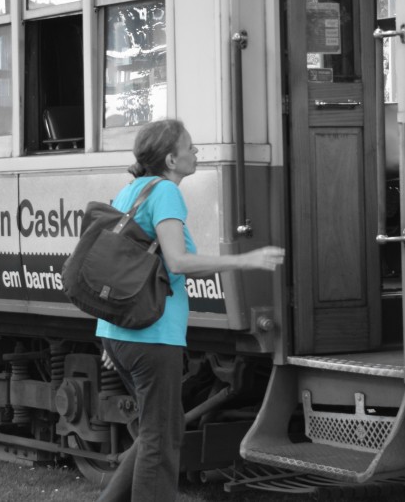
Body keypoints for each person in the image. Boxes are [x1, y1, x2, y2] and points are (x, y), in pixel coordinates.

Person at [96, 118, 285, 502]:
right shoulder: (166, 192)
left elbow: (117, 268)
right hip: (151, 334)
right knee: (161, 438)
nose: (196, 152)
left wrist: (110, 337)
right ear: (170, 159)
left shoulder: (132, 190)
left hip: (120, 332)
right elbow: (179, 262)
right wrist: (245, 261)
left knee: (160, 430)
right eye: (191, 147)